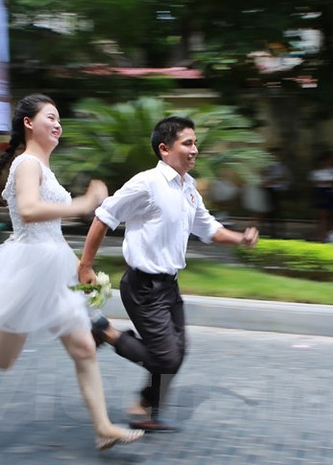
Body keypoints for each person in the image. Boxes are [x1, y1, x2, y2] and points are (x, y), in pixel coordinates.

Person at [0, 94, 143, 452]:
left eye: (59, 119)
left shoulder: (43, 167)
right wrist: (82, 204)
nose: (57, 124)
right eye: (50, 117)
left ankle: (103, 427)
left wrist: (80, 269)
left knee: (84, 346)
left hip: (53, 266)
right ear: (28, 123)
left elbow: (51, 233)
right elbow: (28, 208)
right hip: (26, 271)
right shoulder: (26, 164)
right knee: (2, 359)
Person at [78, 116, 259, 432]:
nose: (195, 150)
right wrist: (85, 265)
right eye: (187, 143)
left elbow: (209, 229)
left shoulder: (188, 188)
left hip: (169, 286)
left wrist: (239, 238)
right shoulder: (146, 183)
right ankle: (105, 332)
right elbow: (104, 217)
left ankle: (143, 407)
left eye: (196, 143)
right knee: (166, 358)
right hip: (143, 285)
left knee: (178, 353)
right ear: (164, 149)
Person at [308, 150, 333, 242]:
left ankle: (330, 234)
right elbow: (315, 183)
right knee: (322, 215)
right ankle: (320, 234)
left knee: (331, 214)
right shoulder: (316, 172)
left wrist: (328, 183)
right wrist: (326, 183)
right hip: (321, 192)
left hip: (331, 192)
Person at [259, 147, 291, 238]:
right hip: (268, 189)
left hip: (278, 189)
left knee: (278, 211)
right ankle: (269, 230)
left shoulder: (282, 167)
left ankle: (278, 230)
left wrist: (279, 182)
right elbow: (262, 176)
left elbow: (285, 178)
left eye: (278, 155)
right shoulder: (266, 165)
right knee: (268, 210)